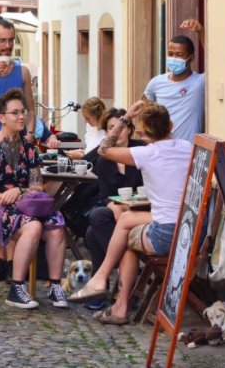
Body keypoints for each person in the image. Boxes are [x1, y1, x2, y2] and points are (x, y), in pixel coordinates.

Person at [68, 101, 193, 324]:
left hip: (167, 234)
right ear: (170, 124)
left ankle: (108, 289)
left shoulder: (146, 153)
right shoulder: (188, 147)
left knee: (125, 238)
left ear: (143, 132)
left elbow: (103, 150)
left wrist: (126, 118)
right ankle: (111, 293)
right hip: (191, 226)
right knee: (124, 220)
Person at [0, 88, 69, 310]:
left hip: (24, 206)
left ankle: (55, 286)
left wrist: (20, 192)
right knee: (33, 227)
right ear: (1, 118)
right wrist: (9, 195)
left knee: (57, 223)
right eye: (15, 113)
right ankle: (16, 288)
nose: (21, 116)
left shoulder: (29, 150)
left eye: (23, 112)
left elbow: (35, 185)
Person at [79, 109, 146, 309]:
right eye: (110, 128)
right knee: (98, 216)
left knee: (93, 232)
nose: (115, 132)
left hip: (143, 210)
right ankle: (126, 284)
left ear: (130, 130)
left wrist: (129, 208)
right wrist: (113, 206)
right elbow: (104, 194)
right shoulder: (104, 159)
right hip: (118, 211)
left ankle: (104, 287)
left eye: (121, 127)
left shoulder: (140, 151)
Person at [0, 17, 52, 162]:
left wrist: (30, 134)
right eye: (2, 40)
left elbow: (30, 109)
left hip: (17, 140)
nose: (8, 45)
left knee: (19, 185)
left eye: (11, 40)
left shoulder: (22, 71)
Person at [137, 19, 205, 141]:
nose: (173, 58)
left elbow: (214, 60)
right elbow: (144, 108)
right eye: (170, 54)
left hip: (188, 153)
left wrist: (201, 31)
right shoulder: (156, 83)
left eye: (179, 54)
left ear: (191, 58)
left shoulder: (199, 82)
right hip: (161, 151)